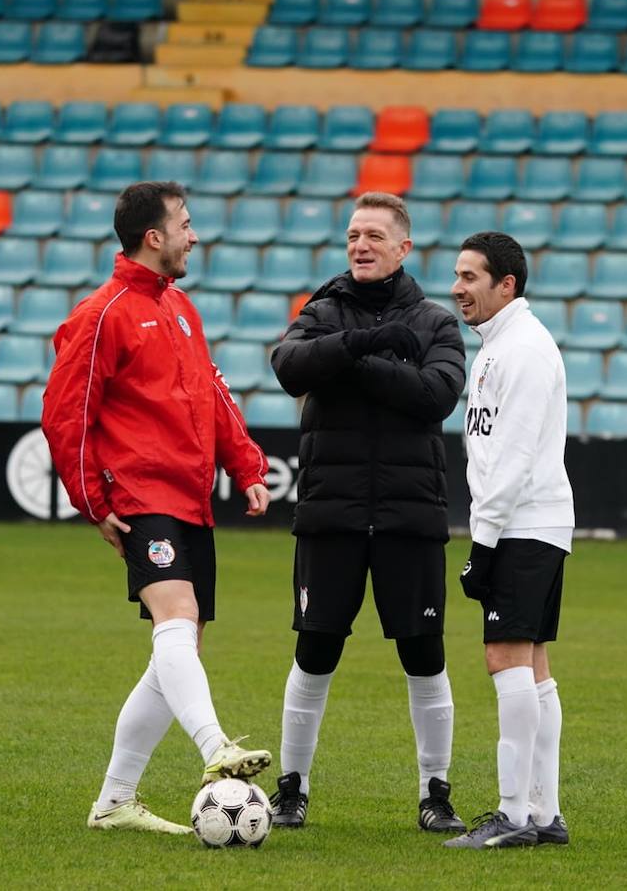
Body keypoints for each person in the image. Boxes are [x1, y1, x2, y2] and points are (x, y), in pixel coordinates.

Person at [42, 181, 274, 835]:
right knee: (178, 617)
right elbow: (66, 415)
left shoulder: (179, 307)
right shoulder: (102, 313)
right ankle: (216, 749)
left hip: (190, 496)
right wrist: (92, 501)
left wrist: (246, 465)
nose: (193, 236)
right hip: (141, 493)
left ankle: (115, 801)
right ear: (155, 236)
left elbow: (211, 392)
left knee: (179, 645)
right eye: (186, 224)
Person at [266, 192, 467, 833]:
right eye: (354, 234)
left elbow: (436, 395)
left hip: (410, 516)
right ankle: (291, 788)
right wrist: (365, 343)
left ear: (403, 248)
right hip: (333, 513)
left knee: (423, 654)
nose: (361, 245)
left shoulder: (436, 321)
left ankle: (435, 793)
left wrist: (352, 361)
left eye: (375, 235)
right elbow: (290, 367)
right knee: (315, 650)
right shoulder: (322, 310)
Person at [443, 231, 574, 850]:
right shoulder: (503, 345)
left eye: (470, 277)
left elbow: (514, 458)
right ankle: (544, 812)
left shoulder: (521, 348)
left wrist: (484, 542)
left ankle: (513, 814)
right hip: (534, 523)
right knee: (534, 666)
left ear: (506, 285)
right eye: (458, 275)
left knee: (505, 658)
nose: (457, 288)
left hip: (522, 525)